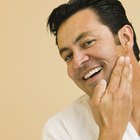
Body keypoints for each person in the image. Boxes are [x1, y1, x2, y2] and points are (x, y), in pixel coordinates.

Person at [43, 0, 140, 139]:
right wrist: (110, 131)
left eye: (87, 42)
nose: (77, 62)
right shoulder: (61, 129)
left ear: (125, 38)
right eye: (68, 56)